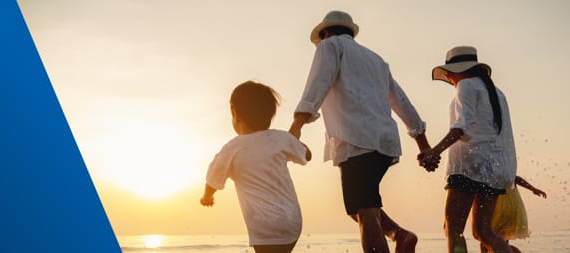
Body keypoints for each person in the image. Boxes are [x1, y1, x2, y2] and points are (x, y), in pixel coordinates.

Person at [288, 10, 431, 253]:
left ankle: (399, 236)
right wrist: (423, 144)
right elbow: (401, 101)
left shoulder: (329, 46)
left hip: (356, 139)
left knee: (363, 210)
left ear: (326, 33)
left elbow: (317, 84)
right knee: (359, 205)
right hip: (384, 142)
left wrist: (296, 126)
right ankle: (400, 235)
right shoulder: (376, 60)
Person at [418, 46, 517, 253]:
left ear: (457, 70)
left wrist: (435, 150)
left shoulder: (466, 85)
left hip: (469, 167)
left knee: (453, 229)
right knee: (483, 231)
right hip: (495, 170)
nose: (449, 79)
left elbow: (462, 127)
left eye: (448, 74)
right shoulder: (497, 93)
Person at [200, 81, 312, 253]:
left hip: (264, 226)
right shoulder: (281, 138)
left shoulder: (232, 148)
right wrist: (293, 143)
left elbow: (213, 177)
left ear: (234, 113)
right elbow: (307, 155)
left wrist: (207, 196)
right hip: (292, 222)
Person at [478, 176, 547, 253]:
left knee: (485, 235)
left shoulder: (493, 170)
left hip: (499, 206)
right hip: (513, 206)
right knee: (500, 240)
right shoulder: (507, 169)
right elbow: (517, 179)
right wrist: (533, 189)